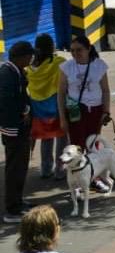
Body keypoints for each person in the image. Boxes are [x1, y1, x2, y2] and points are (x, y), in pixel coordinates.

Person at [57, 32, 110, 149]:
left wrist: (106, 111)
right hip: (75, 111)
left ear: (88, 49)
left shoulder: (100, 65)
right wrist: (62, 119)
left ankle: (92, 167)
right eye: (72, 50)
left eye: (79, 50)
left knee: (93, 147)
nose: (75, 54)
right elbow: (61, 93)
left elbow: (105, 91)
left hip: (96, 111)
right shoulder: (66, 67)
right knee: (76, 147)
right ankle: (79, 167)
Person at [0, 40, 33, 222]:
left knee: (21, 166)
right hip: (13, 129)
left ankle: (19, 201)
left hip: (20, 128)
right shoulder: (7, 73)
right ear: (22, 57)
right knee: (14, 168)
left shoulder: (16, 71)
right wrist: (24, 111)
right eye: (29, 56)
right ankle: (12, 209)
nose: (31, 59)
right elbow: (6, 101)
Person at [26, 34, 65, 181]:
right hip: (56, 106)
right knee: (62, 139)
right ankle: (60, 170)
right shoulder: (58, 62)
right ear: (51, 47)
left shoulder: (30, 68)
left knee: (46, 139)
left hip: (39, 109)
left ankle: (45, 169)